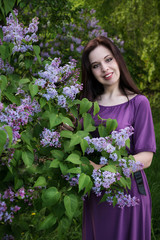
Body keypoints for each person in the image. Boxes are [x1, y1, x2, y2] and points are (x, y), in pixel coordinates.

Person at [80, 36, 156, 240]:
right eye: (96, 65)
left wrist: (106, 170)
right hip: (97, 193)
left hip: (129, 191)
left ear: (117, 59)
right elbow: (79, 151)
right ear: (91, 72)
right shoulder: (87, 106)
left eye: (108, 59)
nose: (105, 68)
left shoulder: (139, 103)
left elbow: (146, 157)